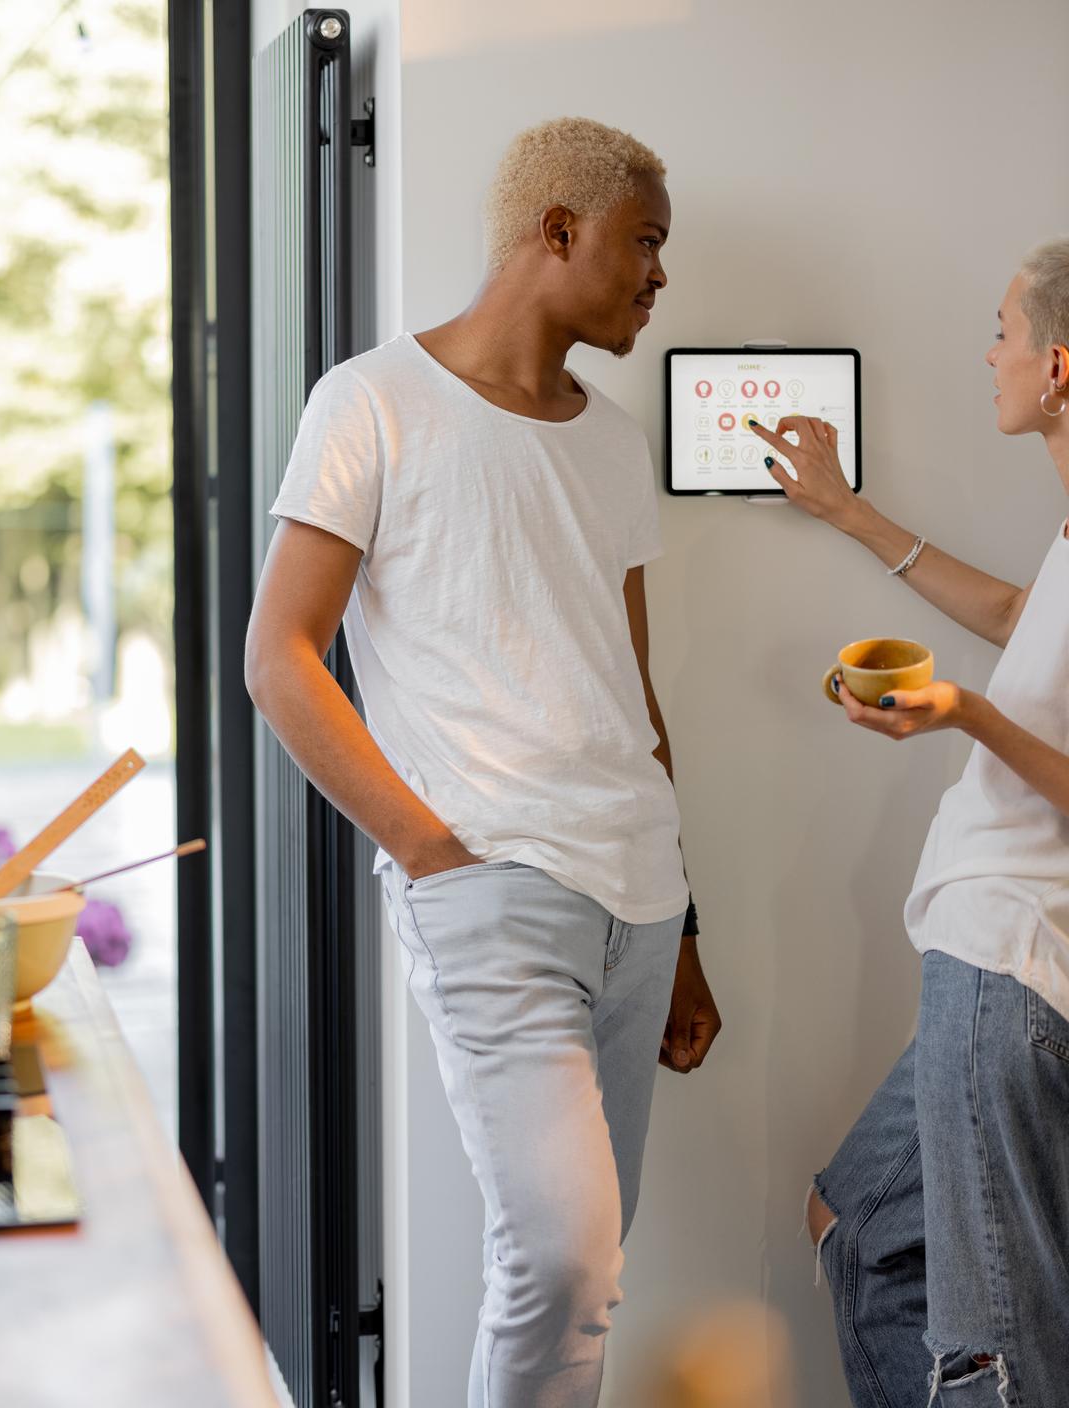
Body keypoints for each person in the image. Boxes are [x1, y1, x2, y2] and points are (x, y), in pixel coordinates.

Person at [245, 116, 721, 1408]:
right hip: (492, 891)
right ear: (555, 232)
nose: (659, 276)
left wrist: (685, 933)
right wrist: (428, 850)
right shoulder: (372, 401)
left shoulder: (614, 443)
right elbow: (281, 657)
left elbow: (634, 697)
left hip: (639, 897)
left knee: (589, 1273)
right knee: (560, 1263)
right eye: (645, 243)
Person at [748, 239, 1069, 1406]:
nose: (989, 354)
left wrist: (966, 714)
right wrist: (848, 514)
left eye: (1002, 330)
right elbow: (1014, 612)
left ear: (1059, 365)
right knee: (860, 1224)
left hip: (1012, 970)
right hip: (982, 965)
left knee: (994, 1351)